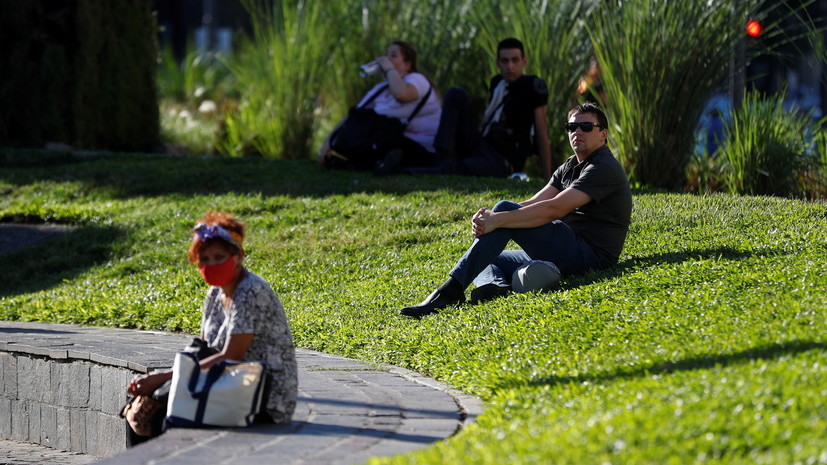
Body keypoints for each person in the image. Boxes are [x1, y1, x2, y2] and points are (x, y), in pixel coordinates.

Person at [400, 102, 631, 318]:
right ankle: (497, 287)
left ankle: (449, 292)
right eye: (572, 126)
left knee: (502, 214)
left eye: (586, 126)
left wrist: (500, 218)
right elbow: (534, 202)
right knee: (487, 255)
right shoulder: (570, 166)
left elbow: (554, 209)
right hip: (565, 245)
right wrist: (490, 218)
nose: (577, 132)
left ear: (603, 134)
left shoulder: (603, 167)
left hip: (590, 257)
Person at [125, 211, 298, 443]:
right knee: (139, 405)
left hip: (260, 395)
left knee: (162, 418)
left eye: (219, 257)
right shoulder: (215, 293)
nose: (212, 264)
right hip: (223, 382)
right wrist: (160, 379)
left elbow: (231, 356)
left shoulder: (251, 291)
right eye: (205, 259)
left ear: (237, 256)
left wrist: (167, 377)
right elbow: (203, 349)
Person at [404, 38, 552, 180]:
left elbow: (541, 130)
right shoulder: (497, 82)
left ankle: (411, 172)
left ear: (524, 62)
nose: (510, 66)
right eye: (505, 61)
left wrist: (548, 177)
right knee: (456, 93)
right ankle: (440, 157)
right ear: (498, 63)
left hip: (503, 158)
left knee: (458, 168)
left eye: (515, 60)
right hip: (482, 143)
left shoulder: (533, 85)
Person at [317, 40, 441, 175]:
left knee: (390, 145)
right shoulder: (380, 89)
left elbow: (401, 94)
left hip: (421, 147)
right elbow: (354, 117)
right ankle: (369, 163)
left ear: (407, 64)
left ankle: (377, 163)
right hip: (388, 142)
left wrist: (389, 69)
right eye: (386, 55)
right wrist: (327, 144)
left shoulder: (416, 79)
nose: (386, 59)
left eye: (393, 56)